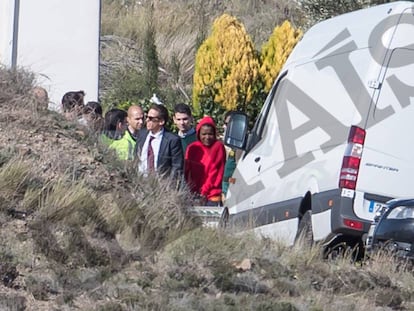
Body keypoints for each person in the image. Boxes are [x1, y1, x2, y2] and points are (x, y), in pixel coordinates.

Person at [185, 116, 226, 206]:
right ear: (198, 134)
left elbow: (214, 172)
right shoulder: (192, 148)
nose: (207, 137)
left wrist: (203, 192)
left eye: (210, 134)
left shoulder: (218, 147)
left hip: (212, 195)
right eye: (204, 134)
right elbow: (187, 171)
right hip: (193, 194)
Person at [136, 103, 183, 178]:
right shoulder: (142, 135)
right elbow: (136, 158)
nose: (147, 120)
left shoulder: (172, 140)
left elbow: (177, 167)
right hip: (141, 182)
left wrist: (168, 186)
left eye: (151, 118)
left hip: (161, 184)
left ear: (161, 121)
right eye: (147, 117)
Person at [222, 111, 238, 197]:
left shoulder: (240, 147)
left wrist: (231, 183)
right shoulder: (220, 145)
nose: (227, 127)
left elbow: (236, 177)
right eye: (227, 124)